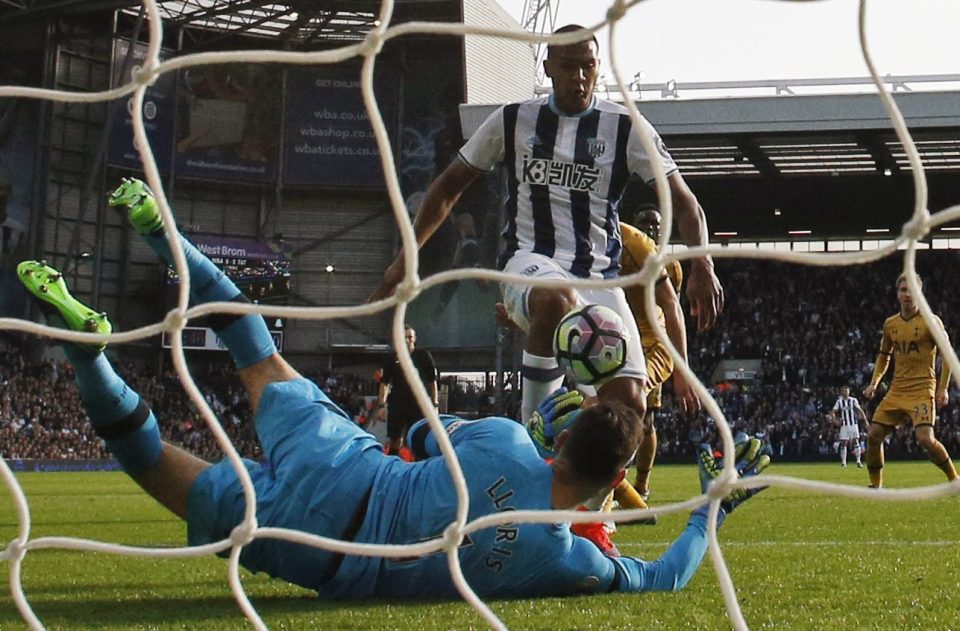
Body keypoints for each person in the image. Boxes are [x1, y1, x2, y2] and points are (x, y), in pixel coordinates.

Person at [14, 177, 767, 601]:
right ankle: (90, 355)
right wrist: (709, 505)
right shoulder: (572, 562)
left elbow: (413, 439)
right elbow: (664, 576)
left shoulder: (505, 441)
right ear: (615, 488)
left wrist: (527, 430)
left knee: (254, 345)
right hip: (318, 552)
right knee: (151, 463)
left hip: (346, 465)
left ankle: (164, 234)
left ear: (567, 435)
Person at [369, 24, 723, 432]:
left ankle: (581, 488)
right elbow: (447, 188)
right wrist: (406, 258)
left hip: (599, 279)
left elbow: (684, 200)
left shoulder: (626, 127)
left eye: (588, 67)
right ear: (548, 68)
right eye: (569, 67)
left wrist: (704, 265)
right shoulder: (514, 119)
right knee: (556, 298)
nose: (580, 77)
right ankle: (535, 437)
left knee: (629, 407)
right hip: (529, 262)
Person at [617, 181, 700, 503]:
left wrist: (681, 366)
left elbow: (672, 310)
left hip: (652, 346)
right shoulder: (619, 252)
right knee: (621, 410)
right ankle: (615, 486)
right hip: (618, 342)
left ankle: (640, 484)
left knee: (642, 416)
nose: (650, 228)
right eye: (644, 223)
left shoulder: (672, 266)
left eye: (656, 224)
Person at [863, 272, 957, 488]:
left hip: (923, 389)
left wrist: (943, 389)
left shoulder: (931, 322)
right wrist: (874, 383)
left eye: (912, 290)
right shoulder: (890, 324)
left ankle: (954, 480)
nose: (908, 294)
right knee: (873, 435)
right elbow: (884, 356)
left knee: (925, 439)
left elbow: (947, 355)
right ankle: (876, 486)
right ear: (897, 294)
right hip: (897, 390)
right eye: (903, 290)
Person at [374, 325, 438, 457]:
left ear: (415, 338)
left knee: (419, 439)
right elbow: (384, 383)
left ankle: (420, 469)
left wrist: (435, 404)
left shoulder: (423, 356)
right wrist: (381, 406)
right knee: (395, 439)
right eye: (404, 337)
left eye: (410, 337)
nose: (407, 340)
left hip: (419, 404)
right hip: (398, 404)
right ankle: (392, 468)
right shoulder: (392, 358)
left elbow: (433, 381)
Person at [827, 386, 867, 468]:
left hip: (853, 424)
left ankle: (858, 461)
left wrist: (865, 420)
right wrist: (835, 421)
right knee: (843, 443)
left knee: (856, 441)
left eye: (847, 391)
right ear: (841, 392)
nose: (846, 393)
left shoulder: (853, 400)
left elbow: (860, 410)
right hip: (844, 425)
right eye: (844, 391)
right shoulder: (839, 402)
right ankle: (844, 462)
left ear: (849, 392)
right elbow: (833, 411)